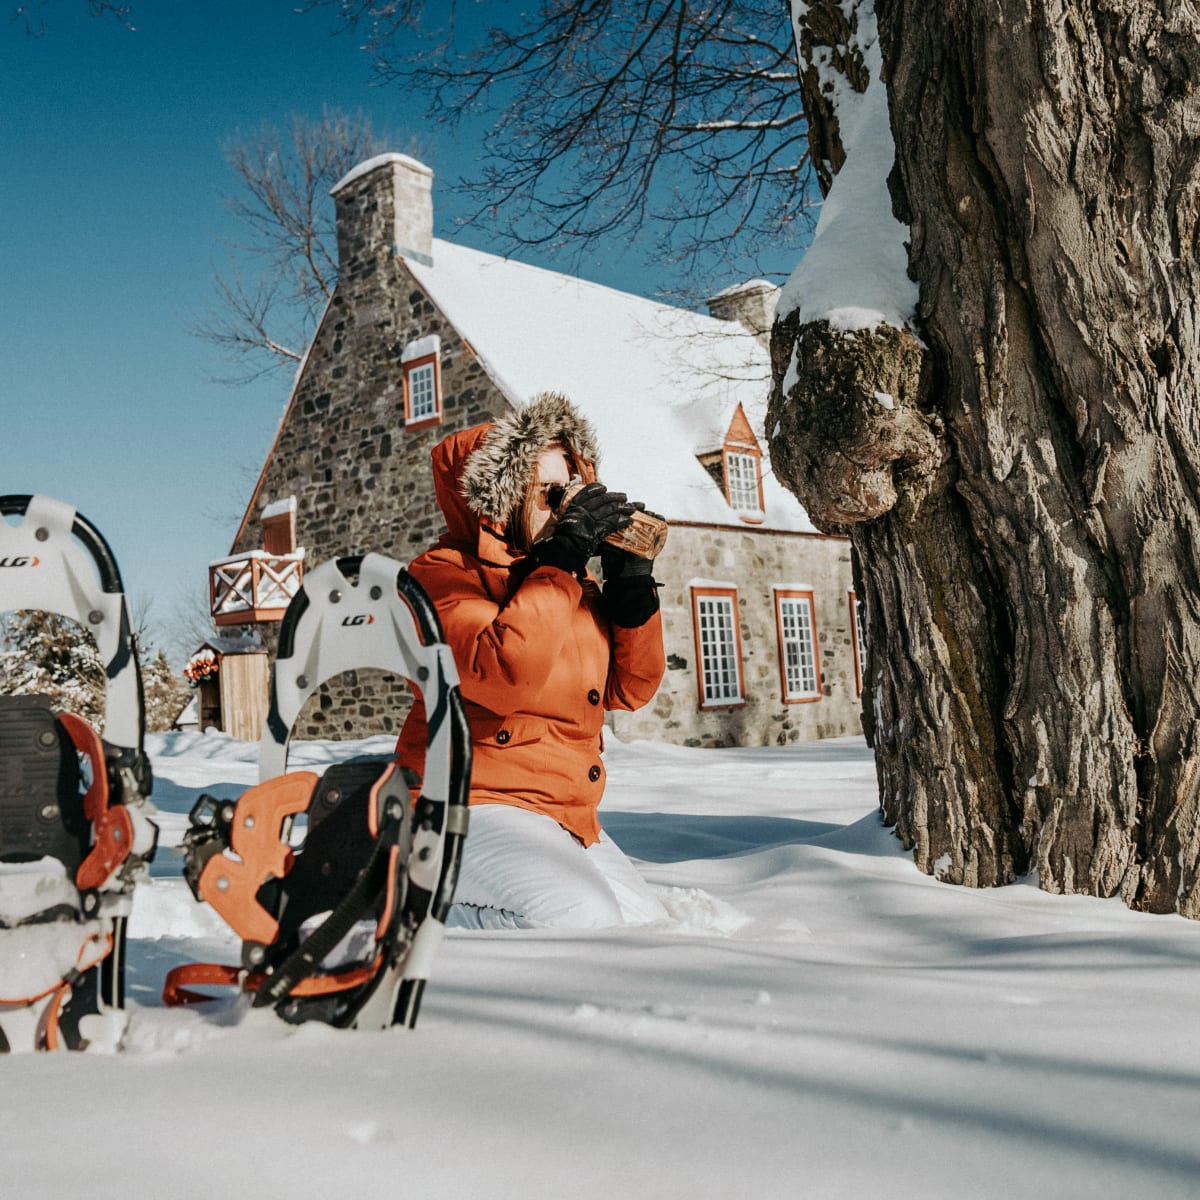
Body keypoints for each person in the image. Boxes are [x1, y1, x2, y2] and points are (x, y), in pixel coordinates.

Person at [397, 391, 669, 929]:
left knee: (647, 931)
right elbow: (504, 677)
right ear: (499, 498)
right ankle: (407, 910)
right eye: (549, 491)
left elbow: (629, 690)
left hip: (560, 809)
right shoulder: (440, 575)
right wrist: (562, 560)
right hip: (464, 801)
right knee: (578, 919)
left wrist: (631, 589)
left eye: (571, 488)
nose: (566, 505)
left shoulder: (565, 581)